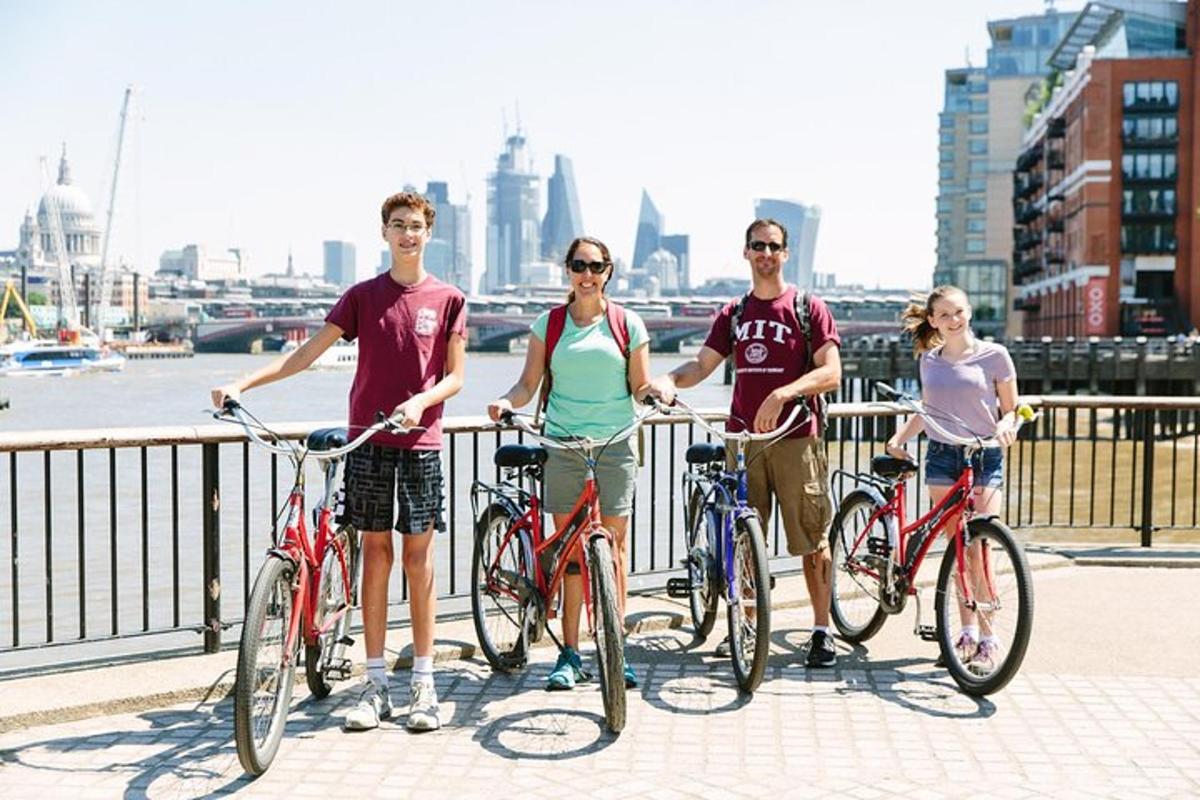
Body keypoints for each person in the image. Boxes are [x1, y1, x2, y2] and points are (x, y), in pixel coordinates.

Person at [211, 191, 466, 732]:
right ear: (384, 233)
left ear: (428, 233)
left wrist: (421, 401)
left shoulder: (448, 299)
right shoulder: (361, 296)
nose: (407, 234)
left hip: (421, 443)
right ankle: (375, 684)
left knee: (419, 563)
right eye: (398, 225)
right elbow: (305, 354)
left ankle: (424, 682)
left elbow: (455, 376)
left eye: (416, 226)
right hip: (367, 441)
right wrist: (241, 382)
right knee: (375, 557)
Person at [643, 218, 843, 667]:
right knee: (742, 539)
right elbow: (701, 365)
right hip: (742, 440)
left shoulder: (809, 308)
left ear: (785, 254)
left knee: (813, 538)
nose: (766, 254)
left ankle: (820, 630)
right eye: (758, 246)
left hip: (797, 438)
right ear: (746, 252)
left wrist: (785, 392)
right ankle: (747, 627)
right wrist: (670, 380)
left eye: (774, 246)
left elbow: (831, 372)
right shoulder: (733, 314)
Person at [487, 236, 651, 690]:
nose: (587, 274)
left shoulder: (627, 324)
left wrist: (653, 392)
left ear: (609, 272)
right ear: (567, 271)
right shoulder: (549, 324)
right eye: (579, 265)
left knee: (614, 552)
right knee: (573, 553)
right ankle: (571, 653)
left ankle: (614, 648)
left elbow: (639, 386)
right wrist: (505, 401)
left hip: (616, 444)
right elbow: (527, 384)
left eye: (596, 266)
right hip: (563, 445)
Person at [887, 284, 1019, 669]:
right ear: (933, 321)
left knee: (981, 546)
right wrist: (899, 437)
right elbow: (928, 409)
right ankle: (966, 632)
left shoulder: (996, 356)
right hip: (943, 457)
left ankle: (989, 636)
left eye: (958, 311)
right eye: (944, 315)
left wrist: (1009, 425)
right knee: (957, 545)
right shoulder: (930, 360)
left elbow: (1011, 409)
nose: (953, 320)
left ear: (970, 311)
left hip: (985, 456)